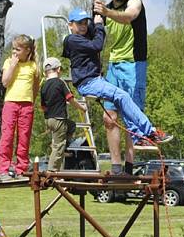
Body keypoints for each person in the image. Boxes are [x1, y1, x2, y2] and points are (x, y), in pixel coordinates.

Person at [62, 8, 172, 147]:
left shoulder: (82, 36)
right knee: (123, 96)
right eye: (79, 23)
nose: (83, 26)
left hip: (95, 80)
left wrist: (96, 4)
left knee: (122, 101)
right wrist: (99, 26)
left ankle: (138, 136)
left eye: (85, 23)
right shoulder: (72, 39)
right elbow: (97, 45)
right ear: (70, 25)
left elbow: (96, 21)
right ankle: (150, 131)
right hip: (88, 82)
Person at [93, 0, 148, 175]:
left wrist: (106, 12)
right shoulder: (104, 9)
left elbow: (129, 17)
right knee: (109, 117)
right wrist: (96, 8)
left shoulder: (135, 2)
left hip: (134, 64)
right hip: (114, 65)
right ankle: (115, 167)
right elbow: (95, 35)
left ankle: (129, 166)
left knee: (131, 117)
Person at [0, 34, 40, 181]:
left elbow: (35, 87)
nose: (14, 52)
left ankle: (21, 170)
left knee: (24, 138)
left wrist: (31, 102)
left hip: (26, 105)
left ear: (27, 50)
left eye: (18, 49)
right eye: (13, 49)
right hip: (10, 104)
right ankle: (3, 169)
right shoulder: (9, 62)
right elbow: (5, 82)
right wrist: (13, 65)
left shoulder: (33, 66)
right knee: (7, 136)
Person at [40, 57, 87, 171]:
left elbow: (43, 106)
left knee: (71, 125)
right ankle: (52, 171)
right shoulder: (61, 83)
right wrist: (82, 108)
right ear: (59, 69)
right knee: (58, 146)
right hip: (59, 118)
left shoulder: (44, 86)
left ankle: (65, 146)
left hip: (49, 119)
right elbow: (70, 99)